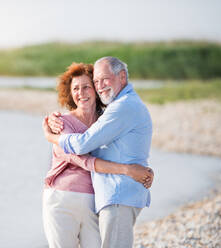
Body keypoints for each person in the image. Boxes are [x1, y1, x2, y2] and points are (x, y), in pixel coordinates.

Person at [44, 57, 153, 248]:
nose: (82, 92)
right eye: (75, 88)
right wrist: (129, 170)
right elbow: (83, 159)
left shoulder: (108, 117)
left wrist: (140, 169)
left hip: (98, 201)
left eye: (88, 86)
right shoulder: (62, 122)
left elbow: (88, 145)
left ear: (122, 77)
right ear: (69, 94)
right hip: (63, 199)